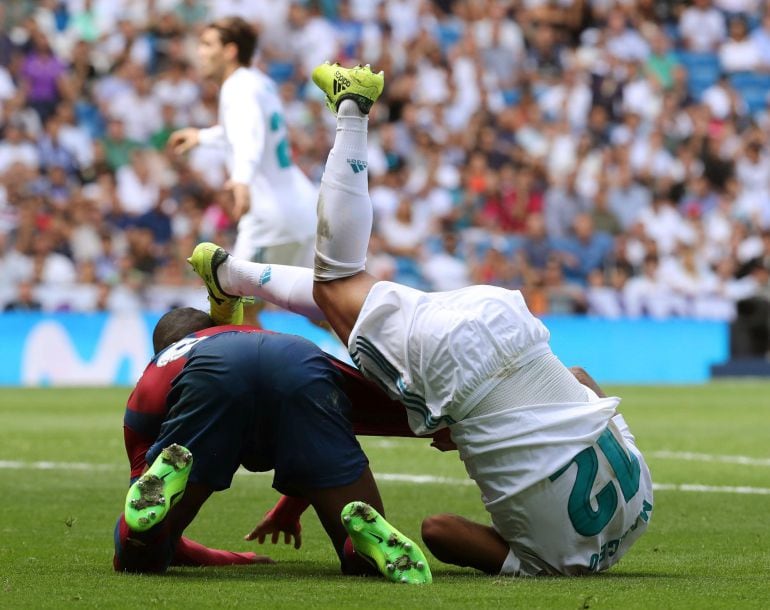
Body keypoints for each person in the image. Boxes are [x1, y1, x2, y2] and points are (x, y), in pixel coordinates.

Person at [188, 62, 654, 578]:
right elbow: (438, 529)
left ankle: (229, 275)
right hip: (459, 371)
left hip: (509, 326)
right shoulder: (554, 562)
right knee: (338, 282)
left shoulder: (644, 500)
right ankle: (352, 109)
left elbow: (582, 380)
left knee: (348, 305)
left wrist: (513, 421)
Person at [114, 308, 432, 584]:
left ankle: (154, 522)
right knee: (360, 548)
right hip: (299, 358)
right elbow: (316, 440)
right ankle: (359, 545)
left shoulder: (160, 367)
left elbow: (149, 525)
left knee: (140, 550)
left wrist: (234, 558)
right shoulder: (248, 332)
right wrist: (287, 509)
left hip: (209, 376)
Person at [168, 16, 317, 270]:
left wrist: (242, 179)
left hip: (269, 215)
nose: (199, 52)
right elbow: (243, 129)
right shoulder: (260, 82)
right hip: (302, 207)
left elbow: (250, 134)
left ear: (230, 51)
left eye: (207, 44)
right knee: (313, 303)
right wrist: (201, 136)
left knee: (232, 302)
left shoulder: (236, 88)